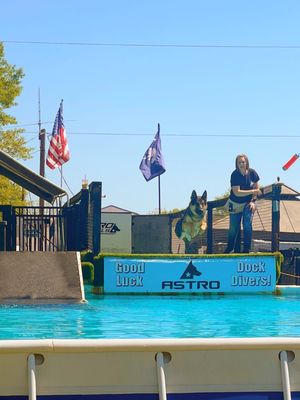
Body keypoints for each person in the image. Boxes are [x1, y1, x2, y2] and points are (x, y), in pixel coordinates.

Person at [225, 154, 261, 254]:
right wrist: (252, 191)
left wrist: (253, 201)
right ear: (236, 164)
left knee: (247, 223)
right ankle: (230, 248)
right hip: (235, 203)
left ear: (247, 163)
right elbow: (237, 192)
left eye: (243, 162)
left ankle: (246, 249)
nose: (241, 164)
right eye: (239, 162)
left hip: (248, 203)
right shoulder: (234, 174)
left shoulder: (253, 173)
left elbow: (256, 190)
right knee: (233, 228)